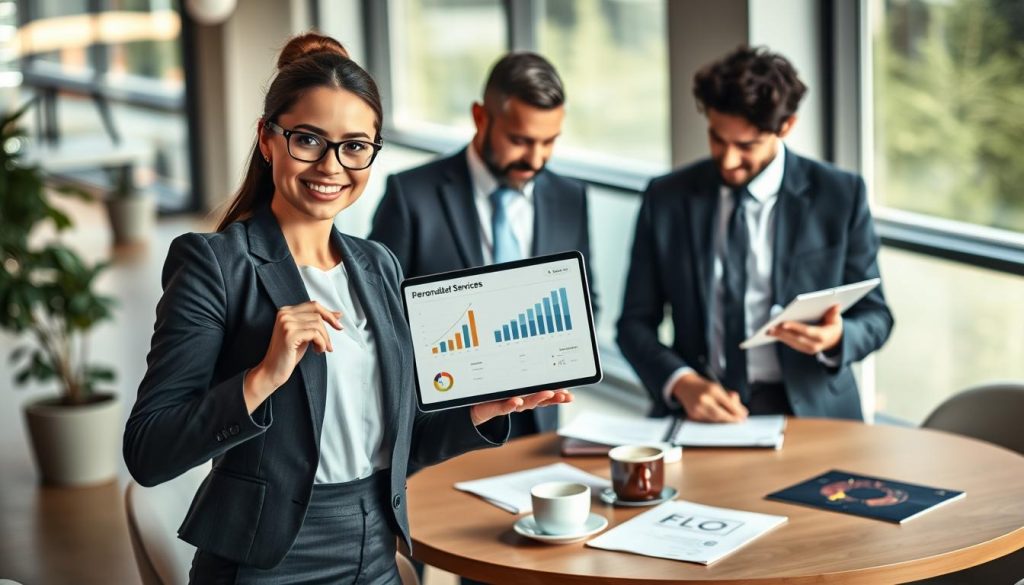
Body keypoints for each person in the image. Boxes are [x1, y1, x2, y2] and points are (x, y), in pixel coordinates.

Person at [123, 33, 570, 584]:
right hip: (265, 563)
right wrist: (262, 377)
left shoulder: (377, 265)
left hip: (376, 548)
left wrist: (483, 411)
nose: (332, 166)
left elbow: (399, 443)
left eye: (355, 145)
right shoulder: (215, 263)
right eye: (308, 140)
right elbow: (148, 451)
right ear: (267, 139)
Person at [617, 46, 893, 422]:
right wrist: (681, 382)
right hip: (699, 410)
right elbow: (633, 324)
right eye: (717, 138)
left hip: (815, 413)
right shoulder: (666, 198)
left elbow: (876, 316)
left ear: (786, 126)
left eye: (746, 146)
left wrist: (837, 337)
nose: (728, 160)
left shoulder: (840, 195)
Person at [369, 51, 595, 439]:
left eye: (549, 142)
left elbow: (586, 297)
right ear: (480, 117)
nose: (536, 158)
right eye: (520, 140)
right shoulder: (410, 196)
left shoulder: (569, 197)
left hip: (537, 426)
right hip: (443, 427)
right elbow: (378, 315)